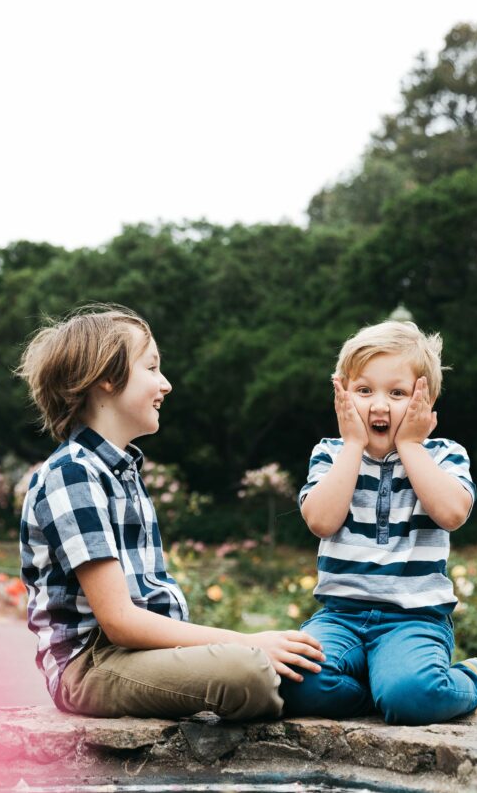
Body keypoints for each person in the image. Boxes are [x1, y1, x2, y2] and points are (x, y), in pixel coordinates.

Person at [17, 304, 324, 719]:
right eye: (152, 368)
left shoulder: (121, 472)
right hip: (92, 664)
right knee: (248, 669)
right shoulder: (72, 474)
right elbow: (120, 621)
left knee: (304, 666)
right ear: (108, 378)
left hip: (140, 653)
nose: (166, 384)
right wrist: (244, 642)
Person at [280, 320, 477, 726]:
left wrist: (410, 445)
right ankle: (379, 692)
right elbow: (321, 522)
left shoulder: (444, 454)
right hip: (340, 616)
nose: (379, 406)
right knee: (296, 682)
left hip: (412, 618)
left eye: (397, 393)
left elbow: (452, 513)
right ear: (342, 395)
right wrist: (354, 445)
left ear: (425, 405)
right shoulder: (331, 453)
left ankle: (473, 680)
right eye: (364, 391)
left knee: (414, 695)